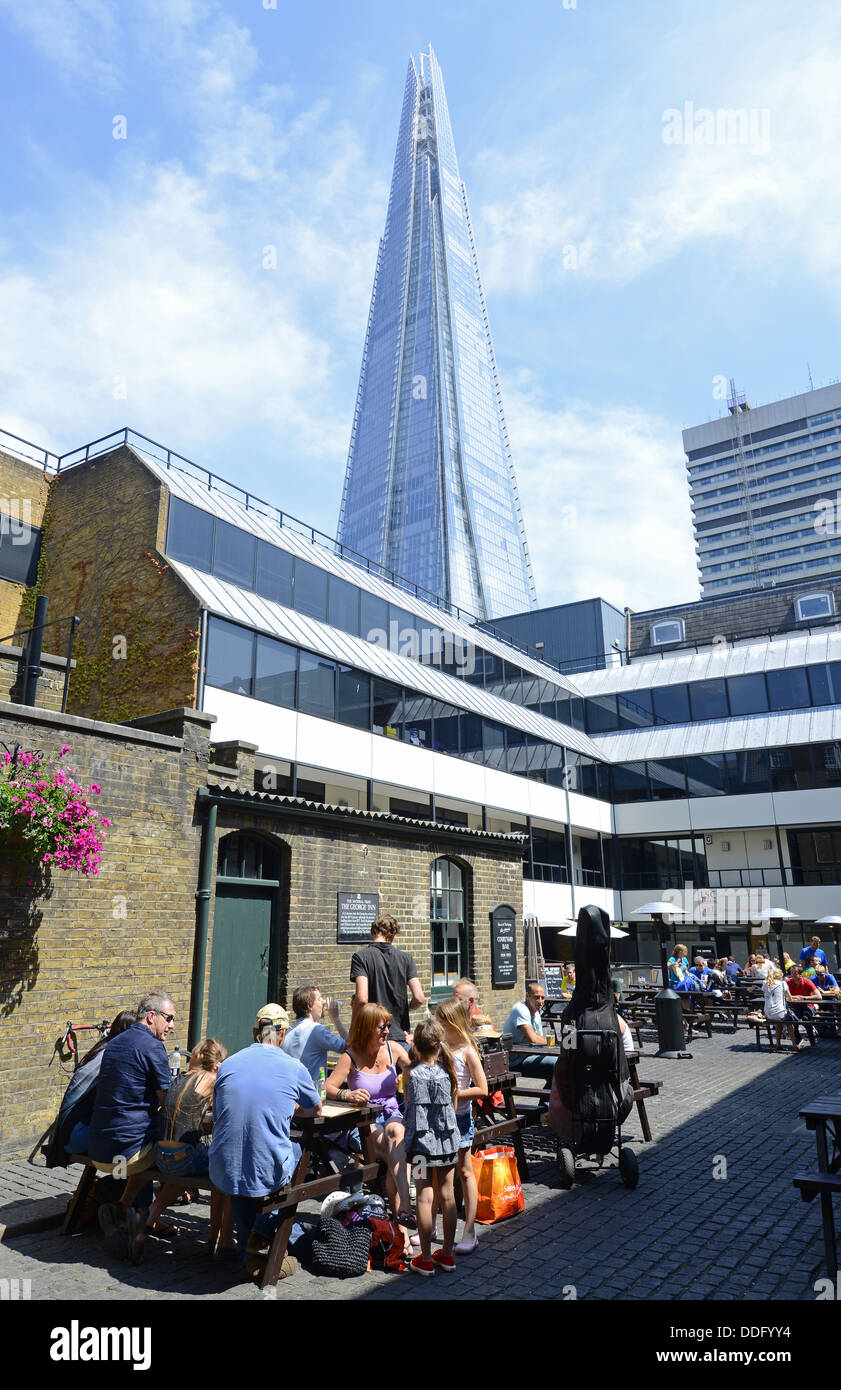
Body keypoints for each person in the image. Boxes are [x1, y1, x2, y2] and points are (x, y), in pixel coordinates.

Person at [209, 1004, 320, 1270]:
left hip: (222, 1168)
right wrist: (291, 1107)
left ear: (254, 1032)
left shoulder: (228, 1065)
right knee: (293, 1150)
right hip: (266, 1170)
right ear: (283, 1035)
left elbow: (218, 1113)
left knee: (240, 1160)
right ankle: (264, 1238)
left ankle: (248, 1245)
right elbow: (315, 1110)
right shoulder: (293, 1067)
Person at [126, 1038, 235, 1263]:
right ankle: (216, 1239)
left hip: (161, 1157)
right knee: (222, 1167)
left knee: (184, 1169)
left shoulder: (179, 1078)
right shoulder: (213, 1079)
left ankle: (150, 1216)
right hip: (183, 1161)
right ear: (217, 1064)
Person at [88, 991, 176, 1256]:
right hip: (127, 1154)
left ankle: (123, 1208)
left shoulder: (114, 1043)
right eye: (169, 1018)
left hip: (99, 1149)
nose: (171, 1026)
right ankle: (144, 1220)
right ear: (152, 1016)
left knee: (147, 1135)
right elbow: (168, 1102)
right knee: (185, 1157)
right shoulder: (152, 1047)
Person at [325, 1003, 413, 1232]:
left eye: (388, 1026)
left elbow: (415, 1066)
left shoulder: (394, 1049)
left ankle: (403, 1211)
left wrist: (410, 1069)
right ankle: (403, 1221)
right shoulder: (351, 1056)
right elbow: (329, 1087)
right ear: (367, 1028)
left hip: (392, 1113)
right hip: (365, 1122)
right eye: (381, 1027)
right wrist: (348, 1093)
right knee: (393, 1148)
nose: (386, 1031)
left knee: (397, 1133)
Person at [403, 1019, 460, 1276]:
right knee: (447, 1195)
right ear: (438, 1046)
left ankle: (425, 1258)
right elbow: (453, 1106)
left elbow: (410, 1108)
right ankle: (447, 1254)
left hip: (421, 1145)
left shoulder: (411, 1074)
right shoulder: (448, 1071)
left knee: (425, 1196)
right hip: (447, 1140)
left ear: (415, 1045)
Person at [43, 1009, 136, 1167]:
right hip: (75, 1136)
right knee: (136, 1141)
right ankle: (124, 1190)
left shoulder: (103, 1048)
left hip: (68, 1133)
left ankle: (123, 1189)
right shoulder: (110, 1057)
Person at [435, 1000, 488, 1256]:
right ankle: (430, 1225)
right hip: (437, 1119)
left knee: (464, 1171)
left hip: (459, 1118)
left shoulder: (467, 1050)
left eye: (442, 1023)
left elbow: (483, 1088)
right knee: (436, 1172)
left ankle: (469, 1229)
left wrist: (456, 1093)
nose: (439, 1027)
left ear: (453, 1022)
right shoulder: (439, 1047)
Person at [350, 914, 425, 1043]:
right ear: (393, 934)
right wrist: (407, 1009)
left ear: (372, 931)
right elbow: (419, 998)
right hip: (401, 1036)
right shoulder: (406, 959)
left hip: (373, 1036)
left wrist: (353, 1028)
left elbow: (362, 999)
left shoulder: (361, 957)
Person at [282, 986, 347, 1085]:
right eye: (319, 999)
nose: (323, 1002)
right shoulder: (317, 1030)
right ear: (309, 1006)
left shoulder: (289, 1031)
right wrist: (335, 1018)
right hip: (312, 1095)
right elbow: (350, 1047)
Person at [503, 981, 553, 1078]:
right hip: (514, 1061)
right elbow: (533, 1039)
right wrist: (552, 1042)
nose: (540, 1001)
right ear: (527, 996)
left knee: (562, 1063)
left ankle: (549, 1092)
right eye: (536, 997)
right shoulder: (520, 1009)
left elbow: (540, 1040)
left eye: (542, 998)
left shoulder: (537, 1014)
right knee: (556, 1064)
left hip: (527, 1055)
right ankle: (549, 1093)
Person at [763, 968, 809, 1051]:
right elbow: (790, 999)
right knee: (789, 1023)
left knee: (778, 1023)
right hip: (779, 1013)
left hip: (767, 1013)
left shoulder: (765, 983)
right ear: (780, 976)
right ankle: (794, 1045)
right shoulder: (783, 983)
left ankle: (778, 1044)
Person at [786, 964, 821, 1045]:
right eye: (791, 973)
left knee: (806, 1019)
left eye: (794, 973)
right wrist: (795, 997)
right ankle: (798, 1038)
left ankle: (812, 1039)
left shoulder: (807, 982)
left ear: (800, 974)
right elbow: (783, 995)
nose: (792, 975)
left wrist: (804, 998)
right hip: (794, 1006)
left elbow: (819, 996)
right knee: (791, 1017)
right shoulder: (787, 982)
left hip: (807, 1005)